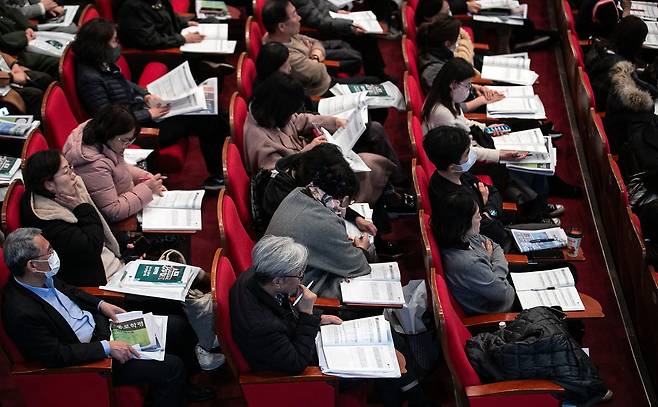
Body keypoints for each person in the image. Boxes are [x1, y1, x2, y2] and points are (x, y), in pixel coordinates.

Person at [1, 228, 216, 405]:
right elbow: (57, 355)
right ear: (32, 265)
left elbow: (71, 290)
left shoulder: (42, 276)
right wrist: (106, 347)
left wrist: (101, 304)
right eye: (49, 251)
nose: (54, 254)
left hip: (104, 326)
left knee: (178, 326)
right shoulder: (21, 312)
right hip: (93, 356)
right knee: (172, 367)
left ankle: (184, 389)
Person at [230, 235, 429, 406]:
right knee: (388, 354)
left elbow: (284, 314)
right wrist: (308, 315)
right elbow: (297, 363)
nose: (301, 279)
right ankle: (414, 395)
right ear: (278, 281)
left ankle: (404, 393)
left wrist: (317, 319)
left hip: (295, 341)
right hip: (307, 374)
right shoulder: (261, 326)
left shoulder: (255, 276)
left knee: (384, 332)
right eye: (298, 274)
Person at [71, 19, 226, 190]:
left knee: (210, 111)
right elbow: (106, 119)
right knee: (209, 121)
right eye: (114, 41)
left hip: (140, 112)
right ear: (99, 46)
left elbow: (123, 82)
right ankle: (219, 176)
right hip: (134, 128)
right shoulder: (89, 79)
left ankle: (224, 162)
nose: (118, 45)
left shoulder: (100, 63)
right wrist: (148, 114)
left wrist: (145, 95)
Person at [421, 58, 564, 222]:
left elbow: (465, 123)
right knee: (522, 164)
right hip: (464, 160)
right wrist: (500, 154)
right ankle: (534, 211)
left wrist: (486, 129)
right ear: (453, 84)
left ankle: (535, 203)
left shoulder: (446, 99)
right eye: (467, 86)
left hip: (470, 148)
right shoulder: (441, 112)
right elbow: (466, 150)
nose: (469, 90)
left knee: (527, 151)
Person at [244, 73, 407, 206]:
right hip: (305, 176)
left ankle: (397, 187)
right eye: (289, 111)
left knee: (374, 129)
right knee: (367, 165)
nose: (291, 115)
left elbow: (299, 119)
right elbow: (276, 175)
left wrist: (333, 121)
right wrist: (306, 152)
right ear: (279, 110)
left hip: (315, 154)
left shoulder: (272, 110)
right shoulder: (259, 140)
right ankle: (379, 205)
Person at [265, 156, 373, 298]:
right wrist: (362, 249)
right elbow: (359, 267)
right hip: (290, 292)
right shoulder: (324, 222)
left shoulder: (298, 192)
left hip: (275, 277)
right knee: (364, 279)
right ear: (344, 199)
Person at [20, 150, 126, 286]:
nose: (73, 175)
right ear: (49, 184)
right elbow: (92, 248)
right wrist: (81, 207)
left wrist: (123, 242)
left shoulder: (69, 193)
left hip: (116, 262)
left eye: (70, 167)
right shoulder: (48, 220)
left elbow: (100, 223)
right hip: (105, 282)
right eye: (66, 171)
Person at [62, 105, 167, 224]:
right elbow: (113, 211)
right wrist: (147, 188)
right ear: (108, 133)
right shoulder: (92, 165)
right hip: (112, 223)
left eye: (131, 140)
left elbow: (118, 166)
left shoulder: (100, 139)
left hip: (124, 197)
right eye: (124, 140)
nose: (128, 145)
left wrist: (145, 177)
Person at [261, 0, 383, 97]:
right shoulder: (283, 53)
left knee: (375, 81)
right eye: (294, 14)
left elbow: (316, 42)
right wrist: (315, 56)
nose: (299, 18)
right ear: (282, 26)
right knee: (377, 85)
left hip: (326, 80)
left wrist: (312, 55)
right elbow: (318, 71)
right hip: (323, 90)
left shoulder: (286, 34)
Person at [432, 191, 516, 315]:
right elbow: (504, 294)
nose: (481, 218)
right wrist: (491, 260)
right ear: (464, 223)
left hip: (500, 282)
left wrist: (491, 263)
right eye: (477, 216)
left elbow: (496, 246)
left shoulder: (464, 235)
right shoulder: (468, 263)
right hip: (502, 311)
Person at [288, 0, 388, 78]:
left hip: (330, 19)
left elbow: (322, 3)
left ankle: (377, 72)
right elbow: (318, 20)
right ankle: (376, 73)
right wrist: (349, 25)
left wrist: (337, 11)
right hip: (322, 29)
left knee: (365, 33)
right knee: (363, 36)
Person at [586, 15, 648, 109]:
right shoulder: (619, 69)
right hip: (605, 109)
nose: (643, 44)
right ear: (634, 43)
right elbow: (635, 102)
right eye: (642, 40)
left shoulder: (601, 47)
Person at [416, 15, 477, 94]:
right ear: (447, 43)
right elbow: (447, 101)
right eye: (457, 40)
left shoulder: (435, 52)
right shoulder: (433, 71)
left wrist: (475, 88)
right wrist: (481, 100)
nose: (458, 43)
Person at [114, 0, 203, 50]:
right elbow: (150, 41)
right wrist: (183, 39)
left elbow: (165, 14)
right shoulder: (132, 7)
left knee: (210, 21)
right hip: (155, 53)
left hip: (171, 38)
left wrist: (184, 23)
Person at [0, 2, 59, 76]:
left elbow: (11, 11)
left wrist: (27, 26)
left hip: (20, 38)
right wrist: (24, 36)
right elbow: (2, 43)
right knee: (55, 63)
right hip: (12, 53)